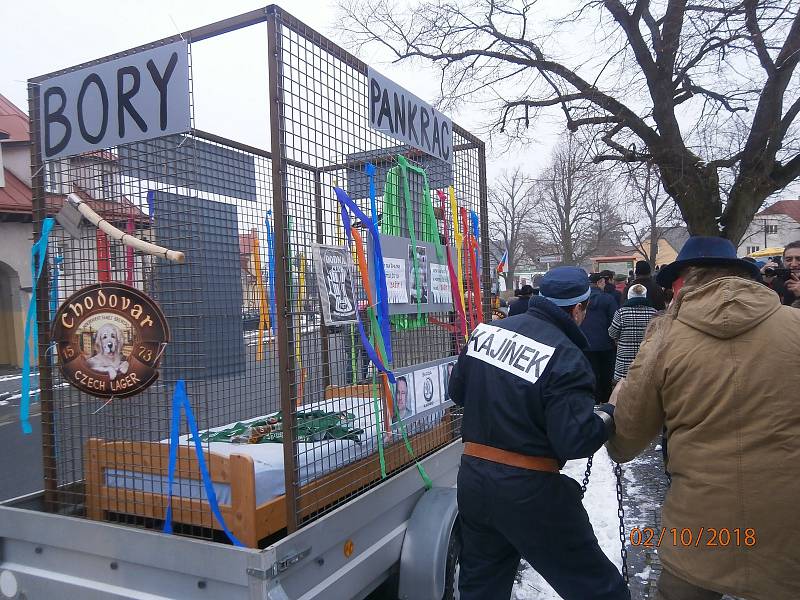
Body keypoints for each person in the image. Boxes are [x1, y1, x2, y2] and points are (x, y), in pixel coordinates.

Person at [606, 236, 800, 600]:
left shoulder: (664, 339)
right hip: (790, 533)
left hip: (700, 532)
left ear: (682, 284)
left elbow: (624, 442)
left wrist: (619, 402)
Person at [449, 266, 627, 600]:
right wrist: (608, 412)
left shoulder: (486, 333)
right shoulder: (567, 356)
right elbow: (574, 439)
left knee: (481, 585)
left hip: (474, 481)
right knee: (598, 588)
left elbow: (457, 392)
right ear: (577, 309)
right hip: (530, 491)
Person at [607, 284, 659, 384]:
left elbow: (612, 333)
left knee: (622, 387)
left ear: (629, 296)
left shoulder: (621, 313)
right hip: (646, 357)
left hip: (624, 359)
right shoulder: (654, 313)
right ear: (645, 296)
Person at [581, 273, 618, 403]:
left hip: (585, 343)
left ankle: (593, 400)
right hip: (606, 344)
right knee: (606, 375)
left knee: (591, 374)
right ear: (600, 282)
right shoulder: (608, 299)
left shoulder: (582, 300)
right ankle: (606, 401)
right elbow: (614, 321)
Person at [782, 240, 800, 305]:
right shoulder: (777, 281)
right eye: (789, 260)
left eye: (799, 259)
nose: (794, 264)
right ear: (783, 262)